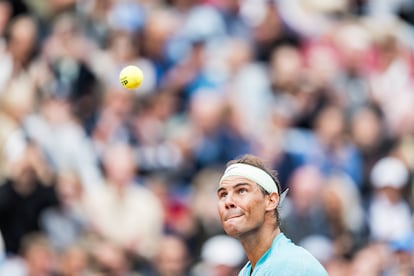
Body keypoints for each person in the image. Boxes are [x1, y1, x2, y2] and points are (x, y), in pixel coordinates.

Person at [217, 154, 328, 275]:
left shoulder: (292, 266)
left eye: (242, 191)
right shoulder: (247, 271)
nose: (228, 202)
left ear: (271, 201)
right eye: (223, 194)